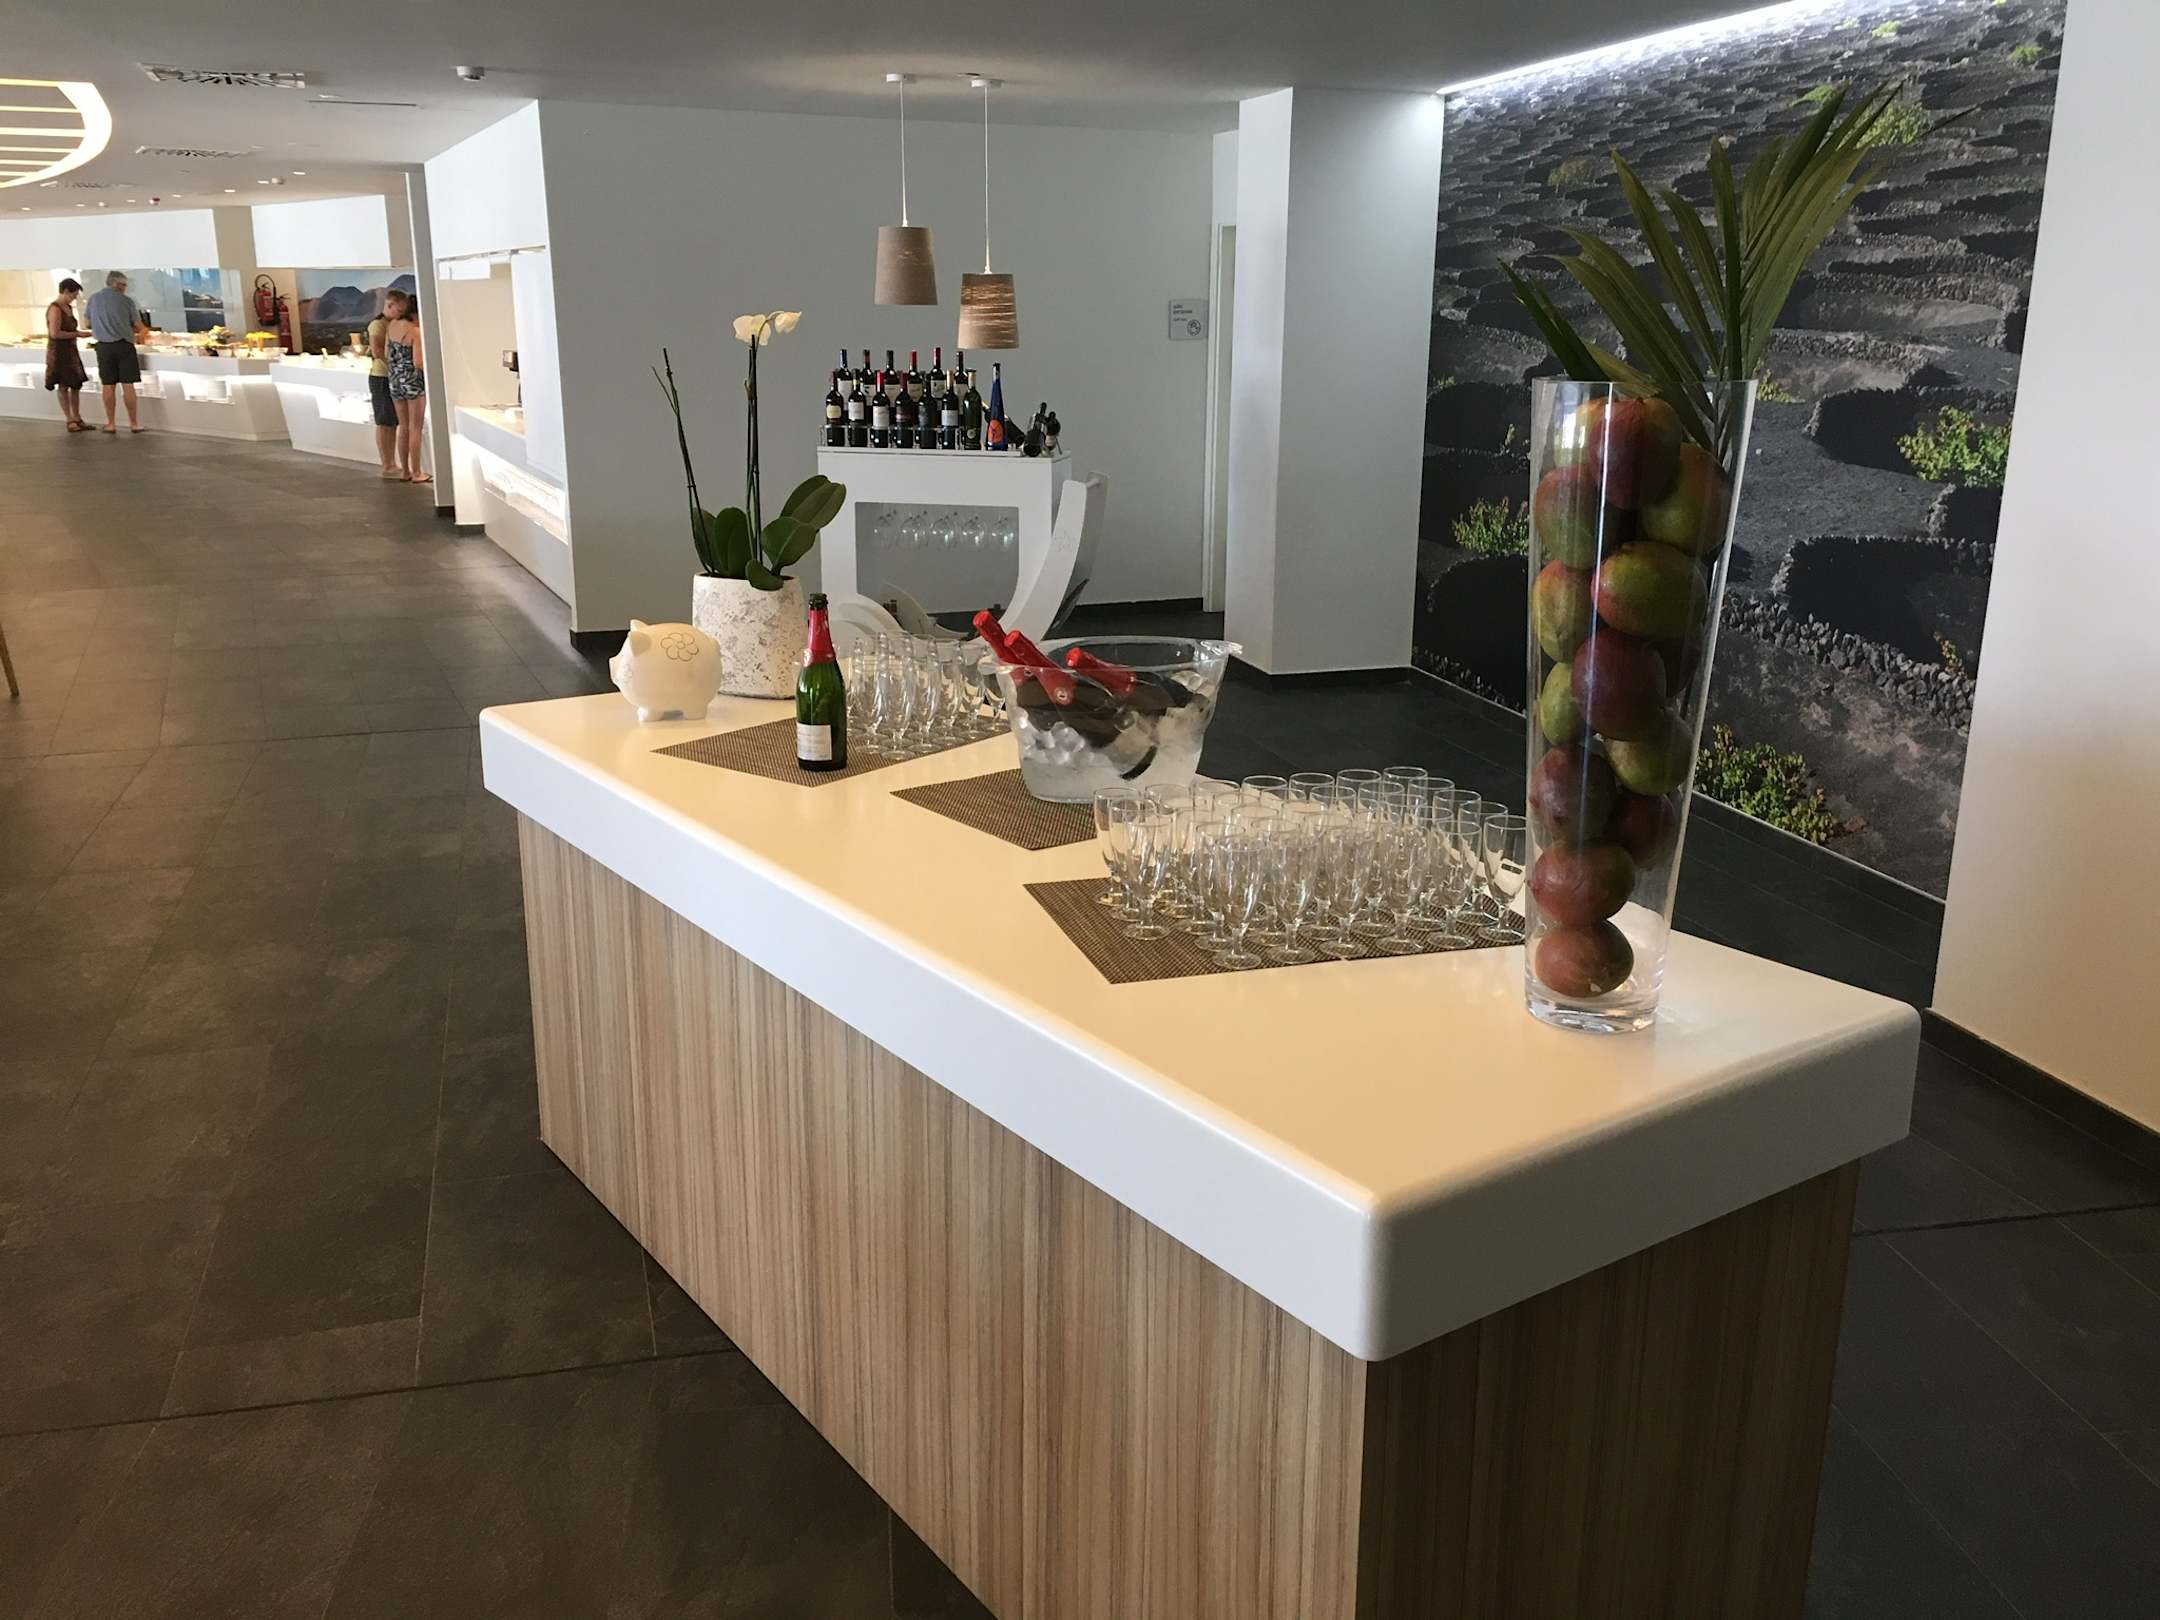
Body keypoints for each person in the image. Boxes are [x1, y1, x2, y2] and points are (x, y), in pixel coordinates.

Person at [84, 270, 150, 434]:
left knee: (108, 385)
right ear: (118, 284)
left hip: (103, 347)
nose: (125, 288)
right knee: (128, 384)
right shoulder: (126, 301)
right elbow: (138, 325)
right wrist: (142, 332)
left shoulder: (93, 299)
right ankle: (133, 423)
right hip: (124, 345)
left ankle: (111, 423)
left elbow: (87, 323)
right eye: (124, 285)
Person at [382, 289, 429, 484]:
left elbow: (387, 354)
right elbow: (418, 361)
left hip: (394, 381)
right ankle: (417, 472)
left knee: (403, 427)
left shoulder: (391, 326)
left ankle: (405, 471)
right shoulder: (415, 332)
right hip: (413, 382)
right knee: (415, 428)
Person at [43, 278, 88, 432]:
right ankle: (69, 418)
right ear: (66, 291)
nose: (74, 298)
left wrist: (77, 334)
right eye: (74, 295)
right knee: (63, 385)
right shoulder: (55, 308)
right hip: (59, 352)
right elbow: (54, 333)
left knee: (75, 384)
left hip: (70, 350)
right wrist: (77, 334)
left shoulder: (67, 307)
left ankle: (77, 416)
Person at [364, 301, 400, 478]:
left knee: (391, 422)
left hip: (389, 377)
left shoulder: (390, 324)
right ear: (390, 306)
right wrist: (397, 366)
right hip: (381, 378)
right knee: (385, 422)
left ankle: (391, 463)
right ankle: (387, 464)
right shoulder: (378, 324)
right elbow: (377, 352)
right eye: (399, 309)